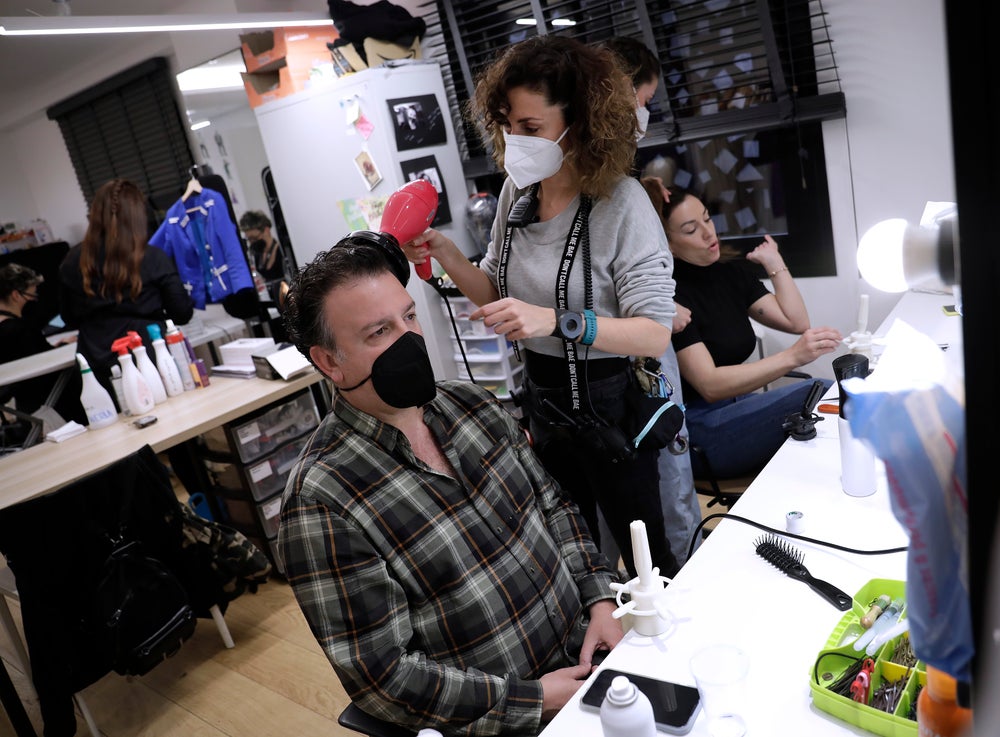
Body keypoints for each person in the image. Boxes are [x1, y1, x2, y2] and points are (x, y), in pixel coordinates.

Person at [278, 236, 623, 734]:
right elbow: (385, 678)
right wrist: (535, 699)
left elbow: (554, 506)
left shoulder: (471, 405)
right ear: (329, 361)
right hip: (513, 717)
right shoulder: (322, 500)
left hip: (594, 653)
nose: (409, 340)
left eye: (409, 317)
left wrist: (600, 600)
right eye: (379, 332)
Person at [404, 35, 680, 579]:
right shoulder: (518, 194)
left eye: (531, 128)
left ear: (579, 122)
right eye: (508, 125)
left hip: (609, 407)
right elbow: (494, 288)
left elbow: (653, 333)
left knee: (649, 559)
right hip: (545, 407)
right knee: (573, 553)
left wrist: (558, 322)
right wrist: (450, 255)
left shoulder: (622, 205)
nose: (515, 141)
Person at [643, 182, 842, 477]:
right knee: (820, 391)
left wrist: (775, 263)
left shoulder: (729, 272)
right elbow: (710, 386)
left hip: (736, 408)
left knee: (828, 400)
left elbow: (796, 322)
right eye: (690, 229)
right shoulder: (670, 298)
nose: (708, 233)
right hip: (696, 430)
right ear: (666, 242)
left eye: (707, 219)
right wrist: (793, 357)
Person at [605, 35, 702, 566]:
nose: (644, 114)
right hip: (627, 362)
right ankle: (685, 571)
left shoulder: (623, 186)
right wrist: (659, 315)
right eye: (643, 101)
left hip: (626, 354)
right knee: (664, 476)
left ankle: (681, 565)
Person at [59, 178, 193, 391]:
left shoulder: (72, 261)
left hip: (95, 362)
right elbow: (181, 313)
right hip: (149, 356)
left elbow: (68, 317)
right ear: (138, 216)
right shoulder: (152, 258)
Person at [0, 263, 85, 423]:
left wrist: (54, 347)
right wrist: (63, 347)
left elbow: (28, 356)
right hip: (45, 402)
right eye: (31, 296)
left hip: (21, 401)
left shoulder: (10, 329)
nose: (33, 300)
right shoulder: (18, 330)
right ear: (16, 295)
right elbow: (41, 363)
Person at [238, 209, 287, 290]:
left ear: (266, 230)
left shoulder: (281, 251)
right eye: (249, 239)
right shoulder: (257, 255)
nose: (252, 242)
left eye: (254, 238)